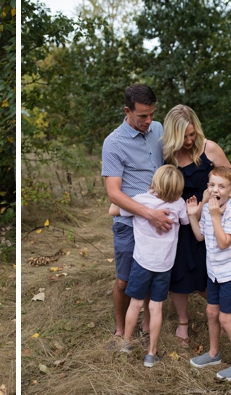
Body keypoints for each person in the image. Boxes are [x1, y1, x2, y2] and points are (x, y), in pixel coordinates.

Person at [160, 104, 231, 347]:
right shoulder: (167, 155)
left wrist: (213, 202)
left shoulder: (209, 148)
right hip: (178, 223)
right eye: (183, 137)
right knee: (178, 271)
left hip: (207, 221)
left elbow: (229, 182)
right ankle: (182, 321)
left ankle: (220, 314)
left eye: (192, 134)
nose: (189, 141)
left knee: (206, 271)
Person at [101, 84, 168, 338]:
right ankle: (120, 331)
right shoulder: (113, 143)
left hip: (158, 219)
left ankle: (146, 325)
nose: (149, 121)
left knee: (153, 272)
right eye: (142, 116)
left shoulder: (158, 129)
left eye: (152, 114)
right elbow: (114, 193)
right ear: (127, 111)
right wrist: (149, 214)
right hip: (130, 222)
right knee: (124, 280)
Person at [115, 165, 189, 367]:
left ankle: (126, 343)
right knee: (156, 307)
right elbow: (186, 220)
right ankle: (151, 353)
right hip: (164, 265)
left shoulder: (141, 201)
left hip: (142, 262)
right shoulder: (179, 203)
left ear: (155, 181)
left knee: (136, 303)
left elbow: (114, 209)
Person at [185, 166, 231, 381]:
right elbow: (200, 236)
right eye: (212, 185)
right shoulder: (207, 209)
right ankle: (214, 354)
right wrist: (193, 215)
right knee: (212, 313)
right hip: (214, 272)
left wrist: (215, 216)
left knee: (225, 318)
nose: (216, 190)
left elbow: (223, 243)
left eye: (222, 186)